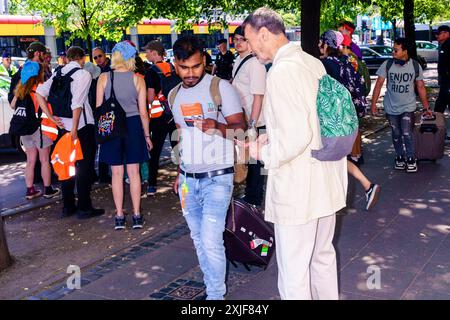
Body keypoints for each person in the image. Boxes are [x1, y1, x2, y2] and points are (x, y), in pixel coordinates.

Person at [243, 7, 348, 300]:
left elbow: (295, 137)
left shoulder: (281, 72)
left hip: (299, 188)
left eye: (250, 40)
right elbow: (314, 121)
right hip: (325, 179)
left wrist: (262, 151)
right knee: (322, 258)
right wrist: (273, 136)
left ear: (264, 34)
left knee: (294, 274)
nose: (251, 49)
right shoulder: (311, 62)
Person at [171, 36, 246, 300]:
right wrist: (180, 173)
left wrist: (218, 127)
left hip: (218, 177)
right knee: (198, 239)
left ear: (204, 61)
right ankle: (212, 290)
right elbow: (180, 135)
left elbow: (242, 131)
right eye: (184, 67)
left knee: (211, 239)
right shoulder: (173, 95)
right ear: (175, 65)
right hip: (188, 181)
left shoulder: (220, 87)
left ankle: (215, 297)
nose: (190, 73)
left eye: (195, 66)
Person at [36, 46, 105, 219]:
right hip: (81, 128)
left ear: (67, 58)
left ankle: (68, 206)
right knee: (84, 167)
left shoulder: (59, 73)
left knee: (66, 166)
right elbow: (77, 104)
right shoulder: (83, 75)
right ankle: (84, 207)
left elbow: (39, 93)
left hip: (62, 128)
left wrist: (51, 117)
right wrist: (74, 129)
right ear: (82, 59)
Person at [319, 30, 380, 211]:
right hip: (349, 118)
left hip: (331, 120)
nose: (318, 46)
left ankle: (335, 198)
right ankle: (366, 186)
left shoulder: (325, 65)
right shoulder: (348, 62)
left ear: (326, 45)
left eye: (321, 42)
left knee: (325, 157)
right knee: (337, 158)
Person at [96, 41, 152, 230]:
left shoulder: (103, 78)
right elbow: (143, 112)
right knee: (134, 172)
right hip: (133, 125)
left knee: (116, 173)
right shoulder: (138, 78)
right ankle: (137, 215)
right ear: (130, 58)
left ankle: (119, 216)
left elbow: (99, 109)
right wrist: (147, 135)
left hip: (111, 126)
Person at [371, 37, 431, 173]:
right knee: (396, 132)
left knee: (406, 132)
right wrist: (373, 104)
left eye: (396, 50)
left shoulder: (415, 66)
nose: (393, 52)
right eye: (393, 49)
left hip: (408, 106)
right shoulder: (387, 64)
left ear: (405, 51)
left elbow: (420, 87)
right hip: (391, 107)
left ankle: (410, 158)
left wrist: (426, 107)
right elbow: (378, 85)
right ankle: (399, 156)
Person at [10, 61, 60, 200]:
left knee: (30, 160)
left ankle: (30, 190)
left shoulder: (20, 89)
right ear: (38, 74)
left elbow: (13, 106)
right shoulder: (40, 88)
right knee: (44, 160)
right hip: (40, 129)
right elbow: (45, 109)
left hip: (25, 129)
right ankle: (48, 189)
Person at [231, 25, 267, 207]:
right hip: (244, 118)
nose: (237, 43)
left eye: (241, 39)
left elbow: (258, 96)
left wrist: (252, 124)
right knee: (248, 159)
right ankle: (251, 194)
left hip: (256, 121)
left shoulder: (255, 64)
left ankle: (255, 197)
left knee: (256, 162)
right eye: (235, 39)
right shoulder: (239, 60)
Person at [144, 40, 180, 196]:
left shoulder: (151, 71)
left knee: (155, 151)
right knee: (178, 149)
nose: (146, 54)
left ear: (153, 52)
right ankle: (183, 180)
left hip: (159, 117)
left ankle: (152, 185)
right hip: (174, 115)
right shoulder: (172, 67)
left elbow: (150, 97)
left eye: (147, 51)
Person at [434, 25, 450, 122]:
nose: (437, 36)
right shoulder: (444, 45)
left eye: (438, 34)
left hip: (447, 83)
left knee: (439, 107)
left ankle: (436, 129)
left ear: (446, 34)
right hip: (446, 82)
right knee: (440, 106)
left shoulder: (448, 45)